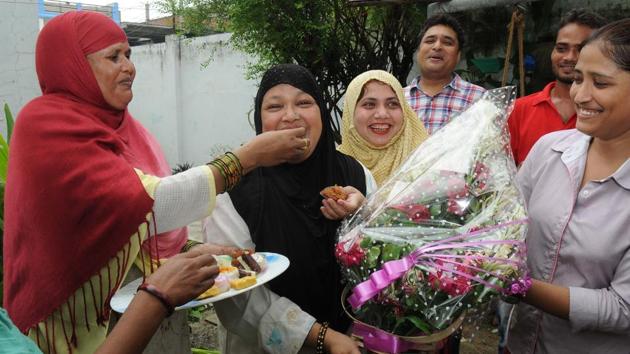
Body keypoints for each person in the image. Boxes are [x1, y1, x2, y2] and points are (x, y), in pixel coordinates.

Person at [3, 11, 308, 354]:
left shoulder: (127, 131)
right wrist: (246, 158)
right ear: (72, 64)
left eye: (129, 54)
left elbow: (130, 227)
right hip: (71, 330)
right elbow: (148, 204)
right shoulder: (45, 126)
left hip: (141, 318)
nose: (129, 66)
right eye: (113, 56)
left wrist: (190, 250)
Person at [203, 64, 375, 354]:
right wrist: (322, 338)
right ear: (259, 119)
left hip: (355, 340)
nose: (291, 115)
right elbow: (239, 294)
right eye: (274, 106)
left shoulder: (356, 176)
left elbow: (382, 261)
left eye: (304, 103)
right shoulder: (234, 193)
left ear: (321, 111)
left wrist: (363, 214)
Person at [507, 18, 630, 353]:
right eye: (578, 78)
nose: (580, 94)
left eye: (600, 83)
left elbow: (622, 309)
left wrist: (517, 287)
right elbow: (505, 224)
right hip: (520, 342)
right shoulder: (549, 150)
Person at [508, 9, 606, 166]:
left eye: (581, 49)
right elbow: (501, 173)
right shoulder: (519, 109)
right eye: (561, 48)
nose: (569, 57)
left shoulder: (610, 112)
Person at [338, 70, 429, 186]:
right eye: (369, 104)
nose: (382, 114)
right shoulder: (331, 167)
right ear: (350, 112)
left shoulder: (426, 162)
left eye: (392, 104)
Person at [404, 13, 485, 135]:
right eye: (430, 40)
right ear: (418, 51)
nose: (437, 47)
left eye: (447, 43)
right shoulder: (397, 100)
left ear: (458, 55)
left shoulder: (479, 99)